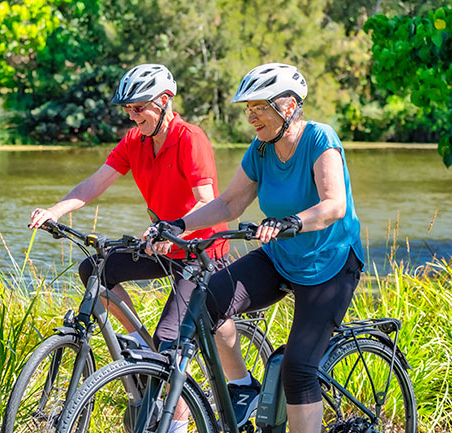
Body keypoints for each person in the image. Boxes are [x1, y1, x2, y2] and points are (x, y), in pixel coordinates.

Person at [156, 63, 364, 432]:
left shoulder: (320, 138)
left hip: (329, 263)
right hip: (281, 257)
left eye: (259, 106)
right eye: (247, 108)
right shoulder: (261, 149)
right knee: (206, 303)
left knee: (298, 369)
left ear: (288, 106)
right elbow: (229, 204)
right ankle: (241, 387)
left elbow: (335, 205)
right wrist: (179, 224)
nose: (250, 116)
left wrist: (291, 223)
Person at [29, 63, 229, 433]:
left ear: (165, 101)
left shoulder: (190, 138)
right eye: (128, 109)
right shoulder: (134, 141)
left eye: (139, 108)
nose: (133, 116)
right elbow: (94, 183)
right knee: (95, 270)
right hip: (161, 246)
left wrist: (168, 229)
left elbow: (207, 201)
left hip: (199, 251)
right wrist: (54, 211)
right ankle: (141, 349)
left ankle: (177, 423)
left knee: (171, 345)